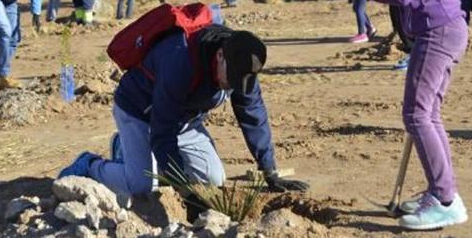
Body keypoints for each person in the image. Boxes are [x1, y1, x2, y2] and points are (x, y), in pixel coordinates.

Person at [57, 23, 308, 217]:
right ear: (219, 55)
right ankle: (91, 165)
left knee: (214, 180)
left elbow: (253, 115)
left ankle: (129, 153)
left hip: (185, 120)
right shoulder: (180, 60)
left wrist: (269, 170)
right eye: (229, 78)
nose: (231, 85)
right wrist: (184, 189)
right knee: (141, 187)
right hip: (139, 112)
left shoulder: (241, 68)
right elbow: (162, 131)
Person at [352, 0, 469, 230]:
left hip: (437, 32)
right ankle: (442, 192)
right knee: (427, 114)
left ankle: (447, 199)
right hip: (446, 28)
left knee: (417, 114)